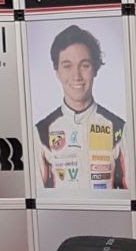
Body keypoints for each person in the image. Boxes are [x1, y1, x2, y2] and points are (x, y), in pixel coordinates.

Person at [35, 24, 126, 191]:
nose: (76, 76)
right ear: (57, 72)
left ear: (95, 69)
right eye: (67, 66)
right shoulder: (41, 132)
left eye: (84, 65)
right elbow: (37, 196)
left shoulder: (119, 127)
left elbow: (131, 193)